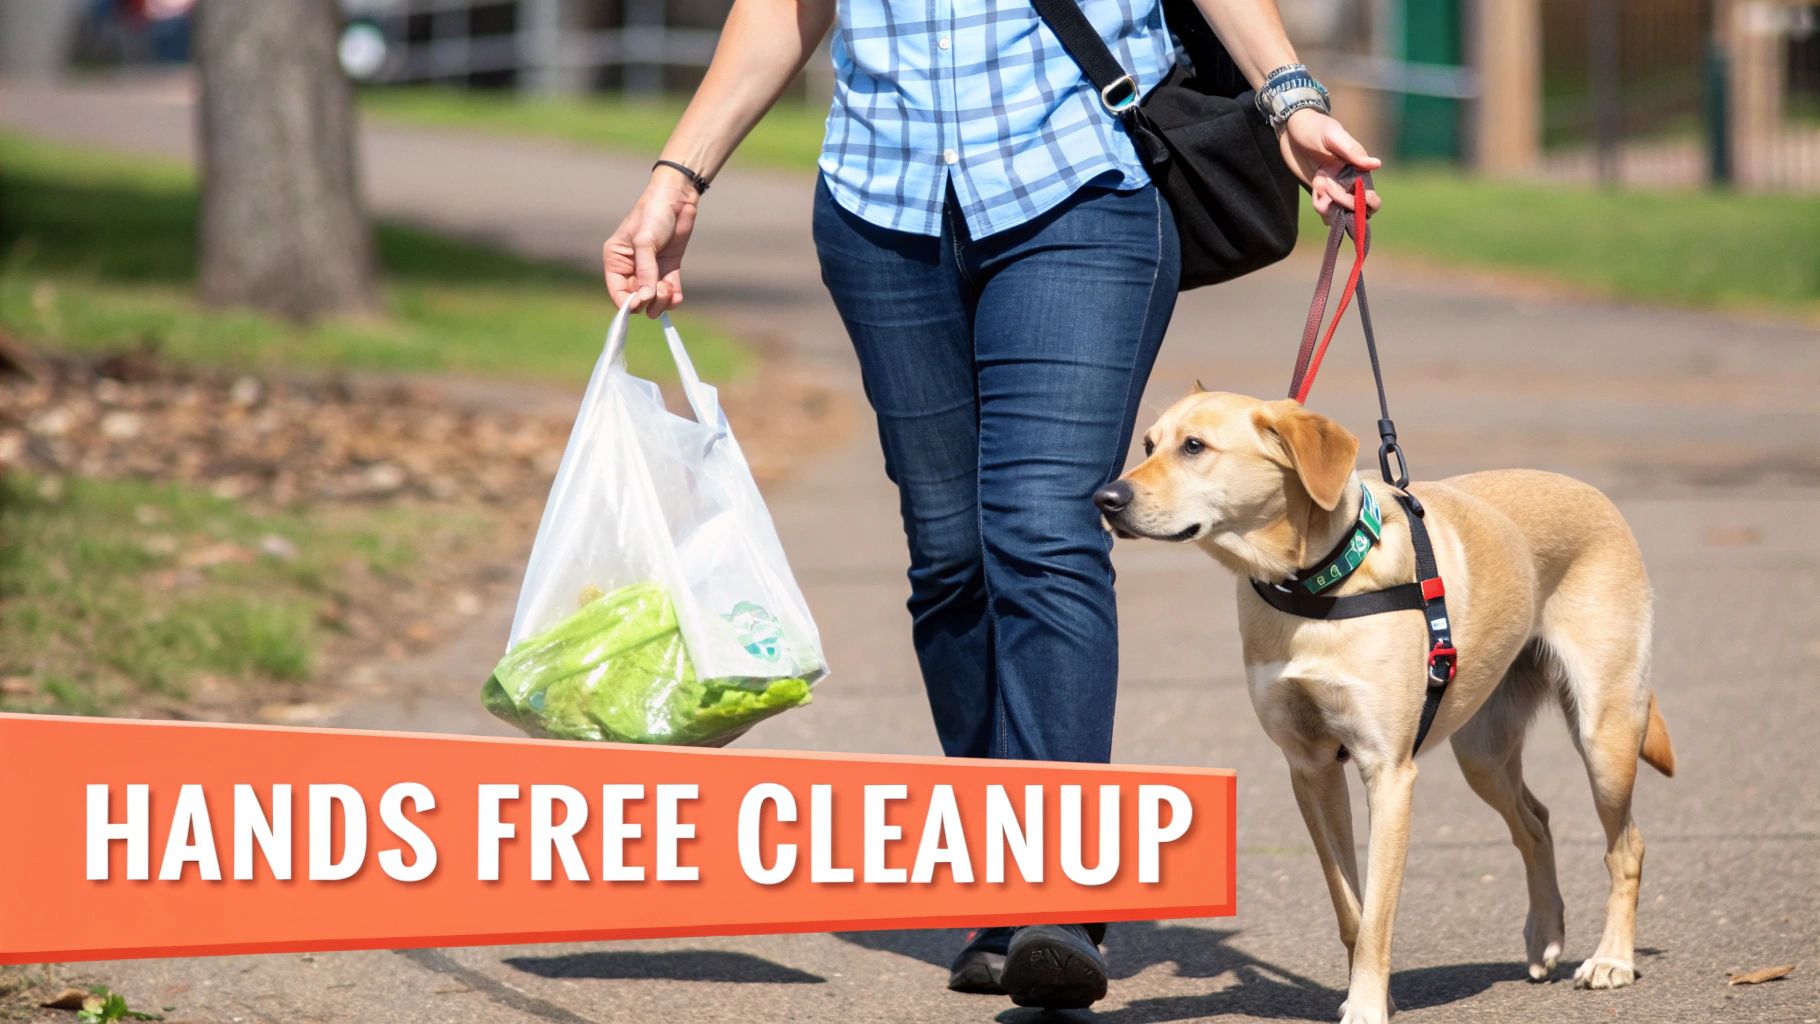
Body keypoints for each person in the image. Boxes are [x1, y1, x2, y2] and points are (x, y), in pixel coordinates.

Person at [604, 0, 1380, 1009]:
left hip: (1081, 182)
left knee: (1042, 529)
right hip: (881, 209)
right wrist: (676, 179)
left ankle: (1055, 889)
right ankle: (996, 874)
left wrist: (1288, 96)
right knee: (949, 555)